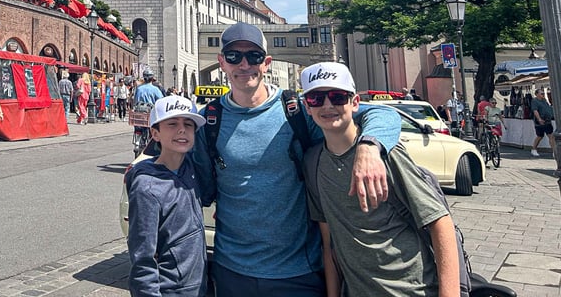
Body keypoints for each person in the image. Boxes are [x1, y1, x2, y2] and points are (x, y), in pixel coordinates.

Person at [192, 22, 401, 297]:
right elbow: (195, 180)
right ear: (222, 62)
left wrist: (369, 148)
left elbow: (384, 115)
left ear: (266, 63)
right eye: (234, 57)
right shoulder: (209, 120)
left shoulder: (298, 110)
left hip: (298, 270)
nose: (244, 65)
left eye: (253, 56)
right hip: (232, 269)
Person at [301, 62, 459, 297]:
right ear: (307, 105)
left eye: (337, 97)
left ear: (355, 103)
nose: (327, 105)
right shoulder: (313, 162)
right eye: (316, 98)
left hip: (412, 290)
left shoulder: (386, 153)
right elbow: (329, 243)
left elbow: (439, 222)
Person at [126, 95, 208, 297]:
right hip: (171, 289)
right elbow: (142, 257)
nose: (182, 129)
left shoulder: (191, 167)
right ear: (155, 133)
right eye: (172, 124)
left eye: (188, 124)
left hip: (198, 285)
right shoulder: (147, 187)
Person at [530, 88, 555, 157]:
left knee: (551, 135)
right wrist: (539, 119)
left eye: (543, 93)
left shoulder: (544, 100)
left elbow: (548, 108)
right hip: (540, 121)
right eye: (541, 93)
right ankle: (534, 149)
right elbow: (535, 110)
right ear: (537, 94)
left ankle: (554, 151)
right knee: (540, 136)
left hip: (547, 120)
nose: (543, 94)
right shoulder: (535, 101)